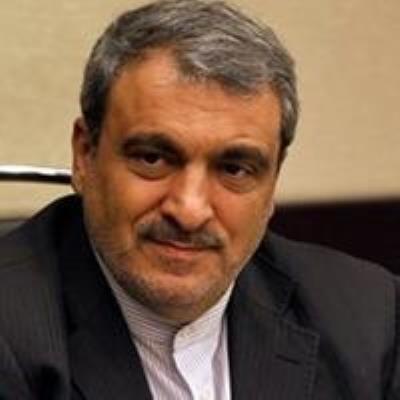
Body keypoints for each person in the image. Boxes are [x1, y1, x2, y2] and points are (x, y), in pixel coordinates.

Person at [0, 0, 399, 399]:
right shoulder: (12, 330)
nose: (190, 210)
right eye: (153, 159)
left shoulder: (368, 317)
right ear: (85, 154)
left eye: (234, 169)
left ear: (273, 180)